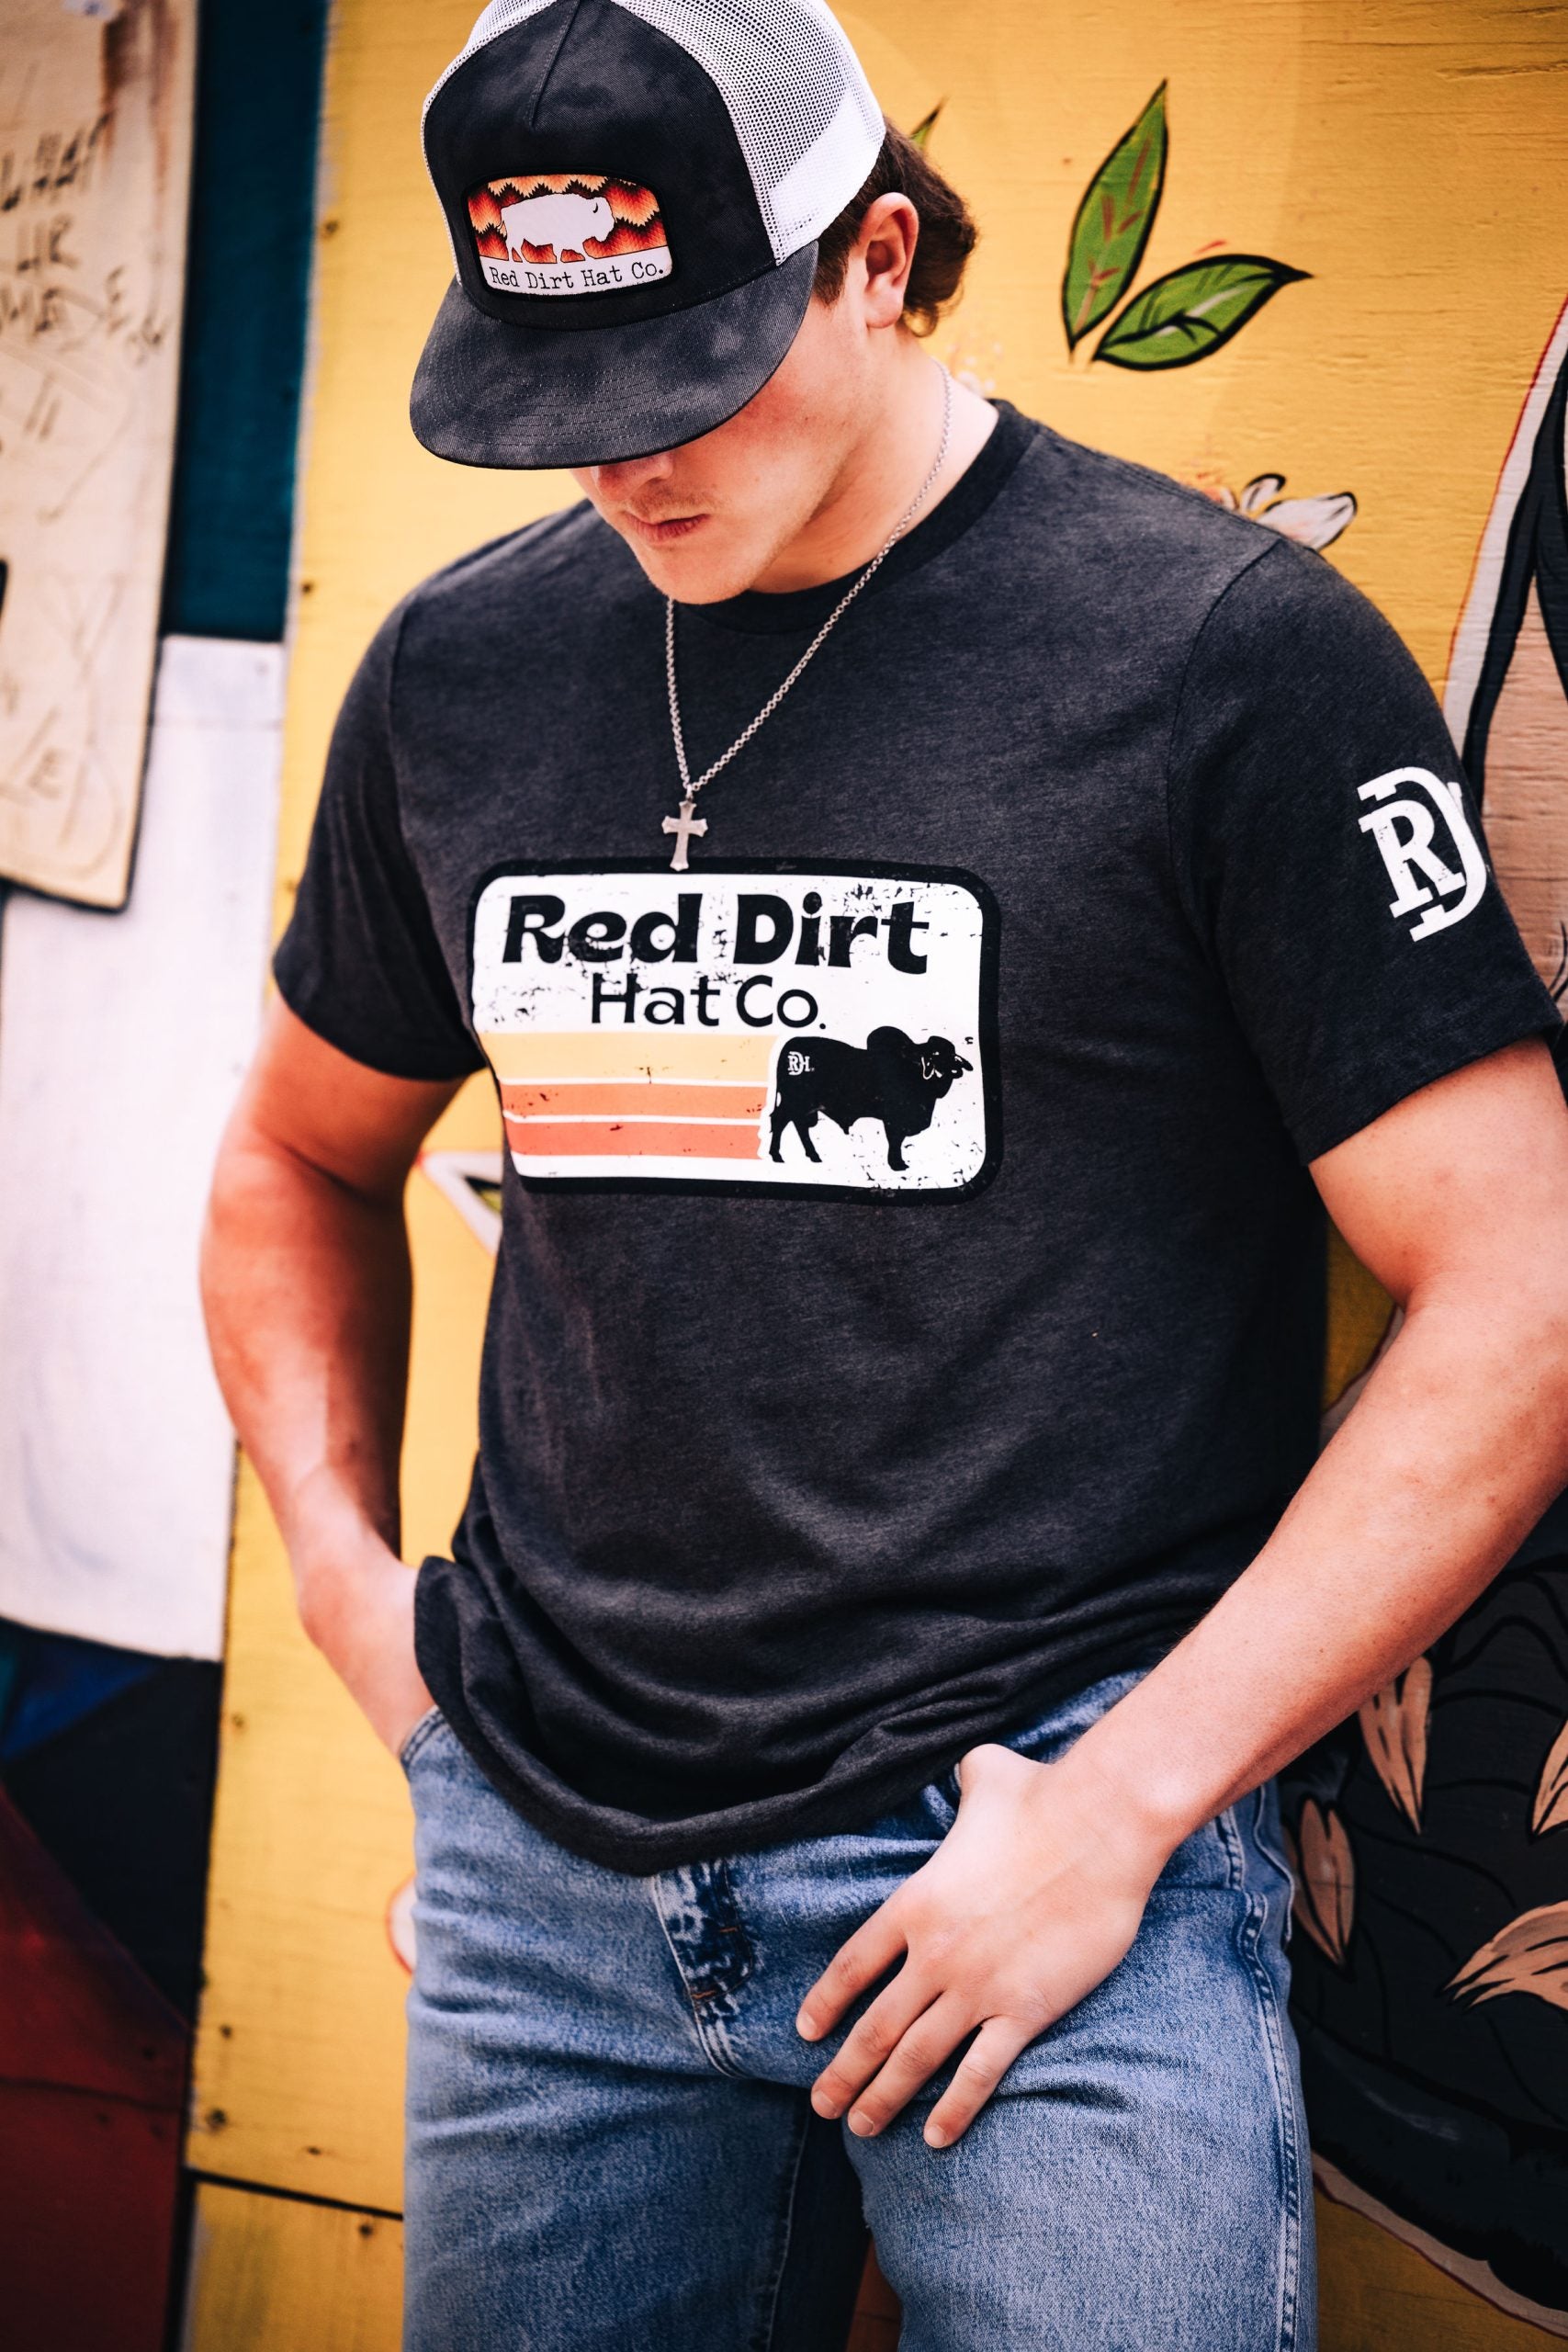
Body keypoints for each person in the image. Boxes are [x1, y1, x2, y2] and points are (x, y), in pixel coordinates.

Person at [200, 4, 1568, 2347]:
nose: (625, 460)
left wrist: (1125, 1806)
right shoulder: (457, 672)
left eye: (689, 372)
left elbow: (1520, 1282)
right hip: (546, 1880)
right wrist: (350, 1598)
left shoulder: (1216, 660)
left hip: (1046, 1851)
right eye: (562, 394)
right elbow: (291, 1159)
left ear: (879, 260)